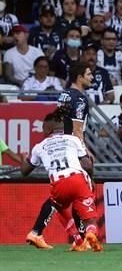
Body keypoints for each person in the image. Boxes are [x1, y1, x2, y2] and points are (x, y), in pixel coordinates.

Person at [24, 61, 93, 250]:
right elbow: (77, 130)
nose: (92, 78)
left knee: (59, 197)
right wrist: (85, 150)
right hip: (72, 147)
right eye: (88, 74)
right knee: (81, 192)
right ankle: (81, 238)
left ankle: (39, 232)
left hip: (61, 145)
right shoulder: (79, 98)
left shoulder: (64, 94)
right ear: (79, 77)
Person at [20, 111, 102, 252]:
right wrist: (92, 180)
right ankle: (90, 233)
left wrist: (23, 158)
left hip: (58, 183)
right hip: (78, 180)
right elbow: (87, 165)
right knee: (90, 218)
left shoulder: (39, 147)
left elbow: (24, 171)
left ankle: (76, 240)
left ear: (47, 129)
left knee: (57, 205)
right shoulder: (73, 139)